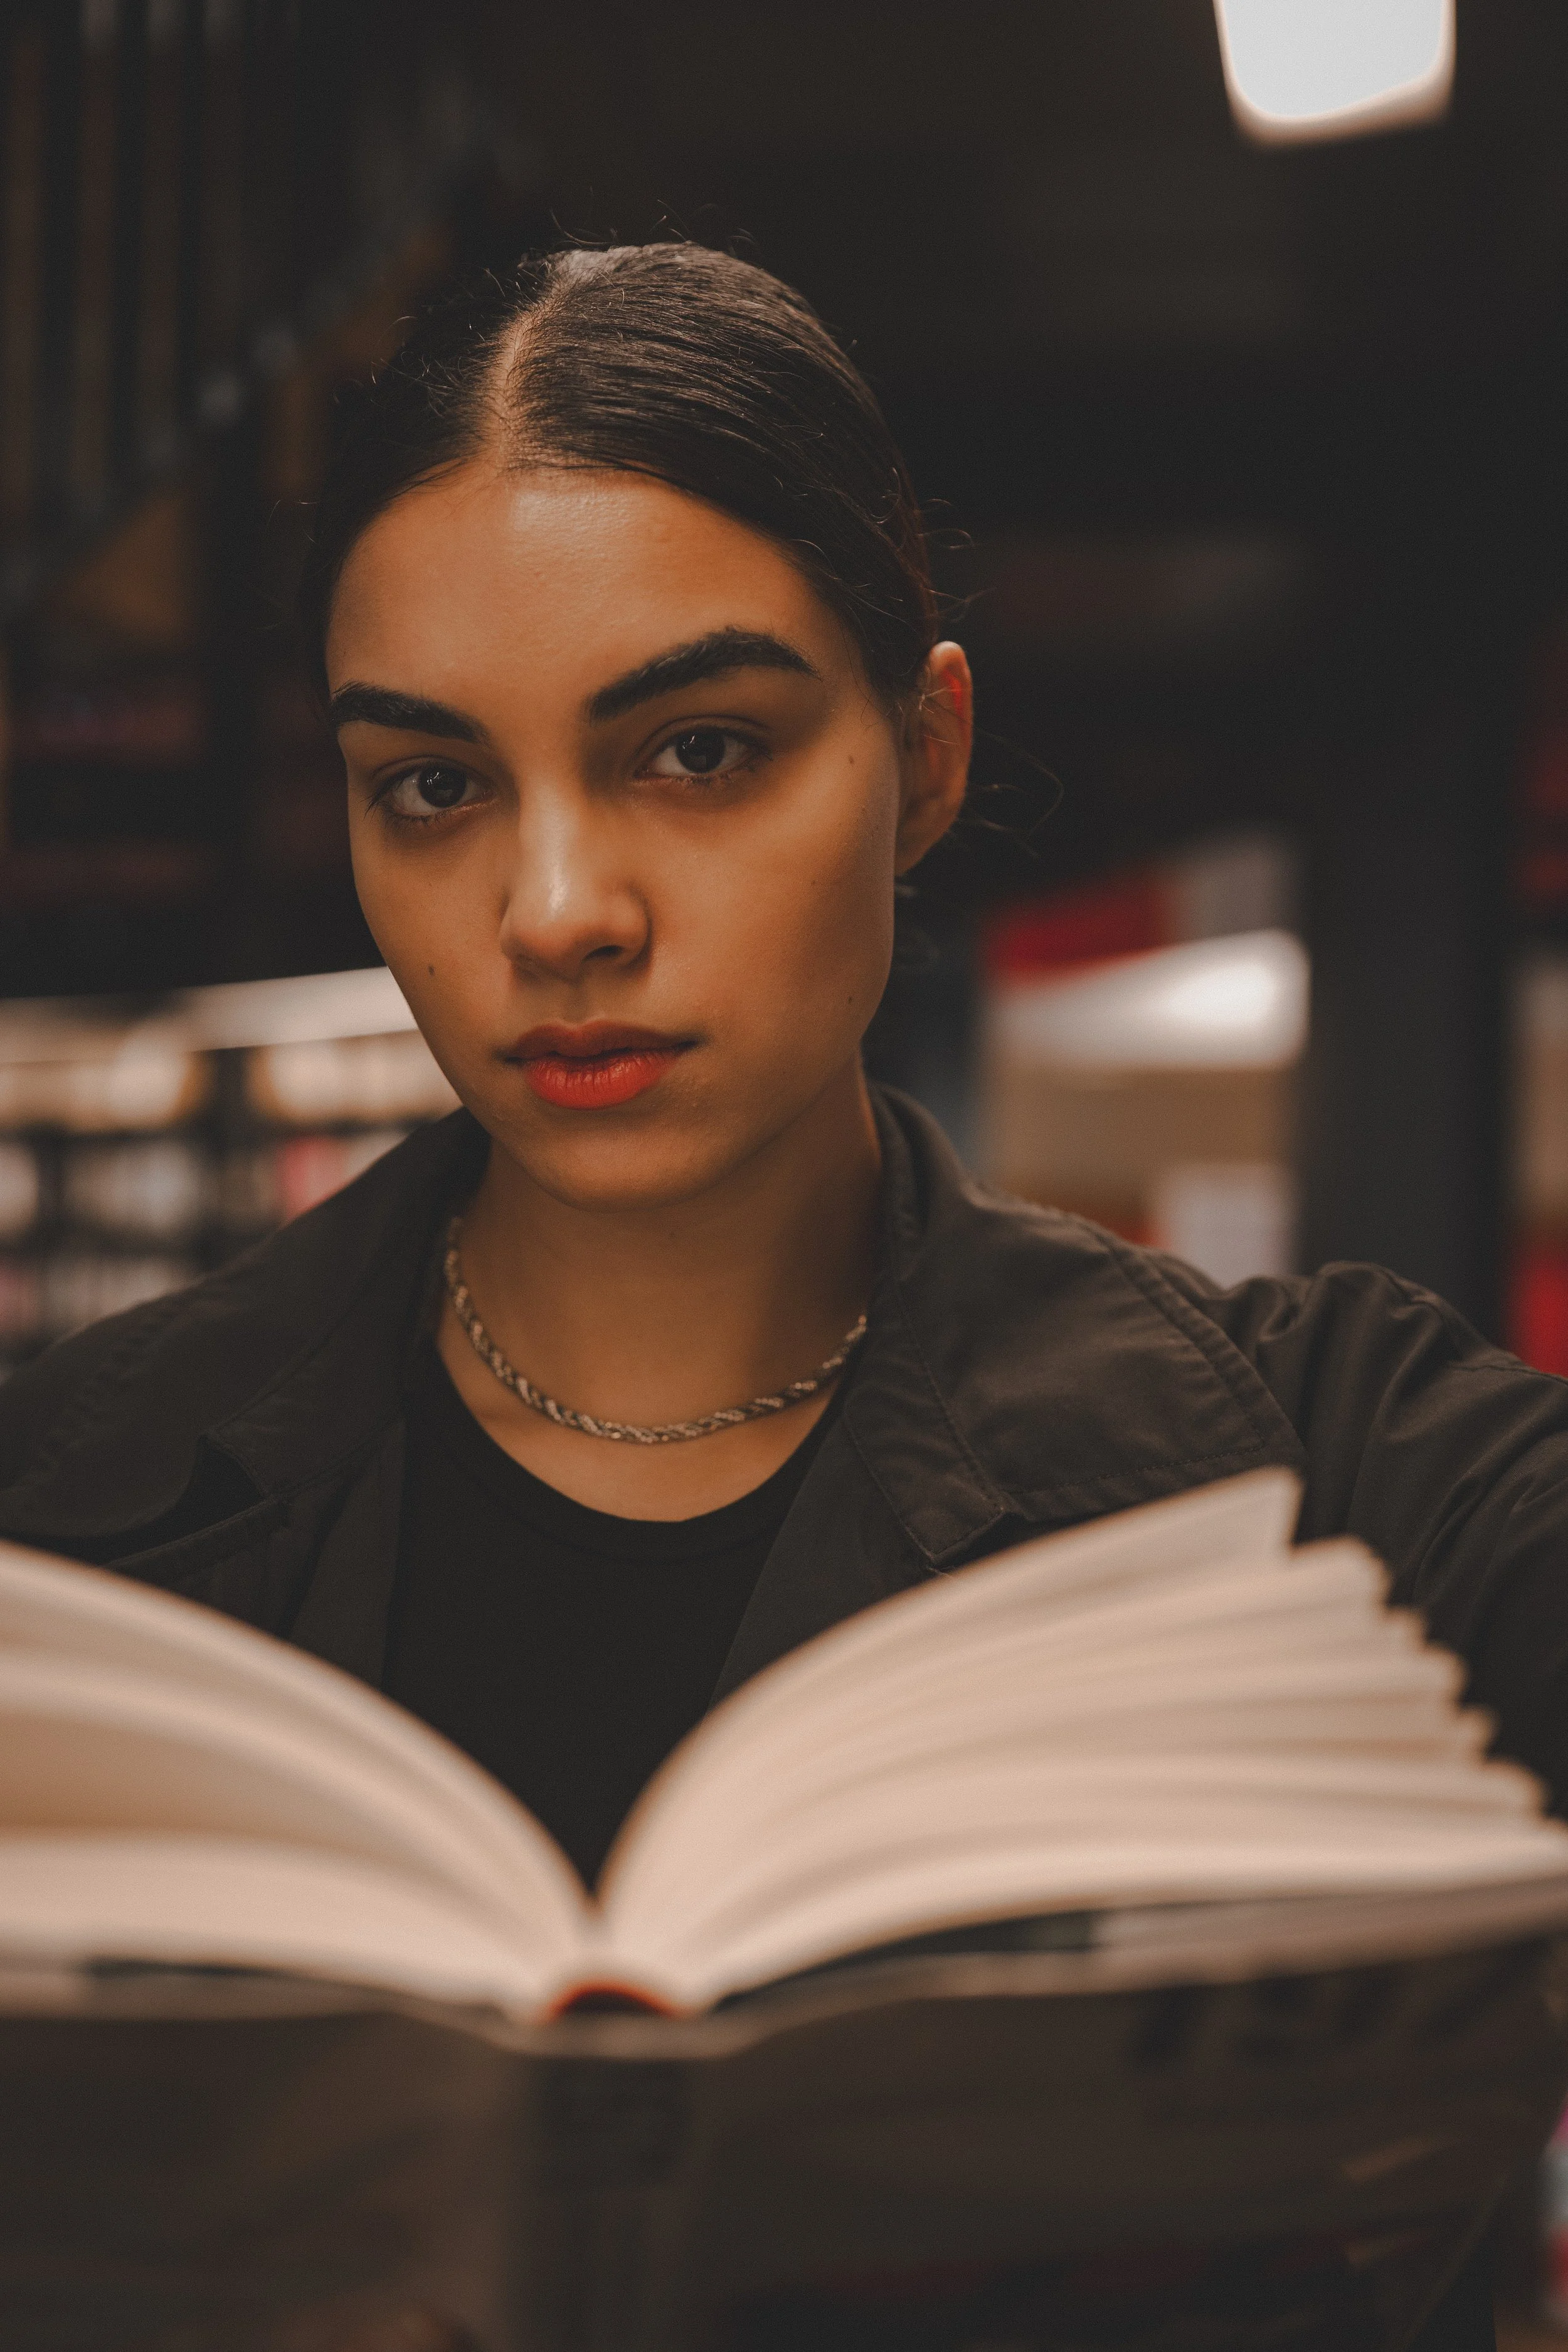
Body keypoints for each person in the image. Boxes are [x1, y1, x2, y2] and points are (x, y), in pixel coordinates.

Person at [0, 241, 1554, 2349]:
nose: (557, 911)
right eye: (434, 786)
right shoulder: (57, 1529)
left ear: (920, 757)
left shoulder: (1360, 1489)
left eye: (697, 751)